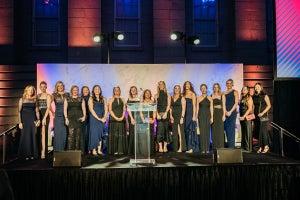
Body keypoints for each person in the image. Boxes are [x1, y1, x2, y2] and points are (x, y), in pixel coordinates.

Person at [17, 85, 40, 160]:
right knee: (25, 137)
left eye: (32, 90)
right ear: (26, 91)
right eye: (30, 90)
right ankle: (25, 154)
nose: (31, 91)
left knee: (32, 136)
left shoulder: (35, 100)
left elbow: (36, 111)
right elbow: (19, 112)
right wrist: (20, 122)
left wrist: (38, 120)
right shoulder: (22, 99)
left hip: (32, 120)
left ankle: (32, 154)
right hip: (25, 120)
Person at [64, 85, 86, 151]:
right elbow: (65, 109)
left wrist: (84, 116)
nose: (75, 91)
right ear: (71, 91)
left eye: (76, 90)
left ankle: (77, 151)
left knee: (78, 135)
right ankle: (70, 151)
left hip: (78, 118)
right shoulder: (67, 99)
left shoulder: (81, 99)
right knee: (71, 135)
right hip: (70, 118)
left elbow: (84, 109)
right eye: (74, 90)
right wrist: (66, 118)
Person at [88, 85, 107, 156]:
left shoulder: (103, 98)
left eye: (98, 89)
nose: (97, 90)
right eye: (95, 89)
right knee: (94, 134)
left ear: (100, 90)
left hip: (102, 118)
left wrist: (104, 117)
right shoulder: (91, 98)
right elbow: (91, 110)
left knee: (100, 134)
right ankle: (94, 150)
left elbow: (106, 108)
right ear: (93, 90)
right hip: (94, 118)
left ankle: (99, 150)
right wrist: (98, 118)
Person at [252, 83, 271, 153]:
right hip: (256, 116)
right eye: (255, 87)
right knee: (258, 131)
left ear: (261, 88)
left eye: (258, 87)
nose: (256, 88)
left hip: (263, 115)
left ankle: (264, 146)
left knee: (263, 131)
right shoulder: (254, 96)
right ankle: (262, 146)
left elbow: (269, 105)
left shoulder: (264, 96)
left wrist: (262, 113)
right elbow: (253, 107)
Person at [108, 86, 127, 155]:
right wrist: (116, 117)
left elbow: (124, 109)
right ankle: (114, 150)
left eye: (118, 90)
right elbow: (110, 110)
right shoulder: (111, 99)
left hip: (121, 118)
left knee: (121, 135)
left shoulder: (123, 99)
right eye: (115, 90)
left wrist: (122, 117)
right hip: (113, 119)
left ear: (120, 91)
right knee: (115, 135)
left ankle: (121, 150)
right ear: (113, 91)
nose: (117, 91)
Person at [154, 81, 171, 153]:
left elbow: (169, 105)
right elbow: (155, 106)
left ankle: (165, 147)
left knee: (166, 130)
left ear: (164, 85)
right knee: (160, 131)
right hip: (159, 114)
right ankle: (160, 147)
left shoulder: (168, 94)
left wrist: (166, 113)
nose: (161, 85)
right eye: (159, 84)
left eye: (162, 84)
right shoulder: (156, 95)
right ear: (158, 85)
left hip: (166, 114)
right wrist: (157, 114)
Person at [52, 81, 69, 151]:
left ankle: (65, 150)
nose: (60, 87)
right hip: (58, 116)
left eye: (61, 85)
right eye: (58, 86)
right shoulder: (54, 95)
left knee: (65, 133)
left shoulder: (67, 94)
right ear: (57, 87)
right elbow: (48, 104)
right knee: (58, 133)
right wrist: (53, 112)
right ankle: (58, 150)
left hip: (66, 115)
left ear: (63, 86)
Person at [182, 81, 199, 153]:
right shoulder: (182, 94)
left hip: (190, 114)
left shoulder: (192, 94)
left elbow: (194, 106)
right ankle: (186, 147)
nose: (187, 85)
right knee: (185, 130)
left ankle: (191, 148)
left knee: (190, 130)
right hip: (183, 114)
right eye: (186, 84)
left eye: (188, 84)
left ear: (190, 86)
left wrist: (194, 116)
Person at [37, 81, 52, 159]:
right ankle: (38, 151)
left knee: (44, 133)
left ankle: (43, 151)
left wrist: (45, 118)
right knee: (38, 133)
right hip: (38, 115)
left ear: (46, 87)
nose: (43, 88)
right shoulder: (38, 96)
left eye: (44, 86)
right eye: (41, 86)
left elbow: (48, 107)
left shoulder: (48, 96)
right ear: (39, 87)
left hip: (45, 115)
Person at [197, 84, 213, 153]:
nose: (203, 89)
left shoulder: (210, 98)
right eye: (202, 88)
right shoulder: (198, 98)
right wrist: (197, 117)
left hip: (207, 115)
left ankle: (207, 149)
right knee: (202, 132)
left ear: (206, 89)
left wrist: (212, 117)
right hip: (201, 115)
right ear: (200, 89)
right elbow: (197, 108)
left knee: (207, 132)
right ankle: (203, 149)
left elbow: (211, 108)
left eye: (204, 88)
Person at [170, 85, 187, 152]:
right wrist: (171, 116)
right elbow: (171, 108)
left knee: (180, 133)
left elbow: (183, 109)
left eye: (178, 88)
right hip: (173, 117)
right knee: (175, 133)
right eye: (175, 88)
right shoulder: (172, 97)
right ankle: (175, 148)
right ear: (174, 89)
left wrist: (182, 117)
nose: (176, 89)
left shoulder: (182, 98)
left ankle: (181, 148)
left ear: (180, 90)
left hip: (179, 116)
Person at [223, 79, 239, 148]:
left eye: (230, 83)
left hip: (232, 113)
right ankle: (228, 144)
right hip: (225, 113)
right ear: (226, 84)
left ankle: (231, 146)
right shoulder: (223, 93)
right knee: (226, 129)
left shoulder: (235, 92)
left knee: (231, 129)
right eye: (227, 83)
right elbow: (223, 104)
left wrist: (230, 111)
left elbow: (236, 103)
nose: (229, 84)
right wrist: (225, 112)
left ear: (232, 84)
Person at [141, 89, 156, 154]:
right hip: (144, 120)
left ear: (150, 94)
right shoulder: (142, 102)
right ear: (144, 94)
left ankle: (151, 151)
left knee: (150, 135)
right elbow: (140, 112)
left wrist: (153, 119)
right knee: (144, 136)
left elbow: (154, 112)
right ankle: (144, 150)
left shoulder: (152, 102)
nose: (147, 94)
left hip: (151, 120)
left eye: (148, 93)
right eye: (146, 93)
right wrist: (143, 120)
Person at [239, 86, 254, 152]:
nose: (244, 90)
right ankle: (244, 147)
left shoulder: (249, 97)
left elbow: (250, 108)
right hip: (242, 116)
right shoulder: (242, 97)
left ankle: (248, 148)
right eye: (243, 89)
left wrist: (244, 116)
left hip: (247, 116)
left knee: (247, 132)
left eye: (246, 89)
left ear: (248, 91)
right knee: (244, 131)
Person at [126, 86, 141, 155]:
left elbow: (141, 109)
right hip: (131, 117)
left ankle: (138, 150)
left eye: (135, 90)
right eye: (132, 90)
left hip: (138, 116)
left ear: (136, 91)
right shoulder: (128, 99)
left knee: (138, 133)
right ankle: (131, 150)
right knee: (132, 133)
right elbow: (128, 109)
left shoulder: (139, 99)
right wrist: (131, 118)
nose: (133, 91)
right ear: (130, 91)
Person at [211, 83, 226, 149]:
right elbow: (211, 106)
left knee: (220, 130)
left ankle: (221, 147)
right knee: (214, 130)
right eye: (214, 87)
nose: (216, 88)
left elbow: (224, 106)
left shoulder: (222, 95)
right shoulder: (211, 95)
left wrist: (224, 115)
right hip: (214, 113)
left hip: (220, 113)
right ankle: (215, 147)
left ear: (219, 88)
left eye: (217, 87)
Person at [81, 86, 90, 154]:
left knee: (89, 133)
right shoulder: (80, 98)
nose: (86, 91)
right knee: (83, 133)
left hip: (90, 117)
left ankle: (89, 149)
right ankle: (83, 149)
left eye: (87, 90)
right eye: (84, 90)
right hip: (82, 117)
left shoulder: (91, 98)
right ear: (82, 91)